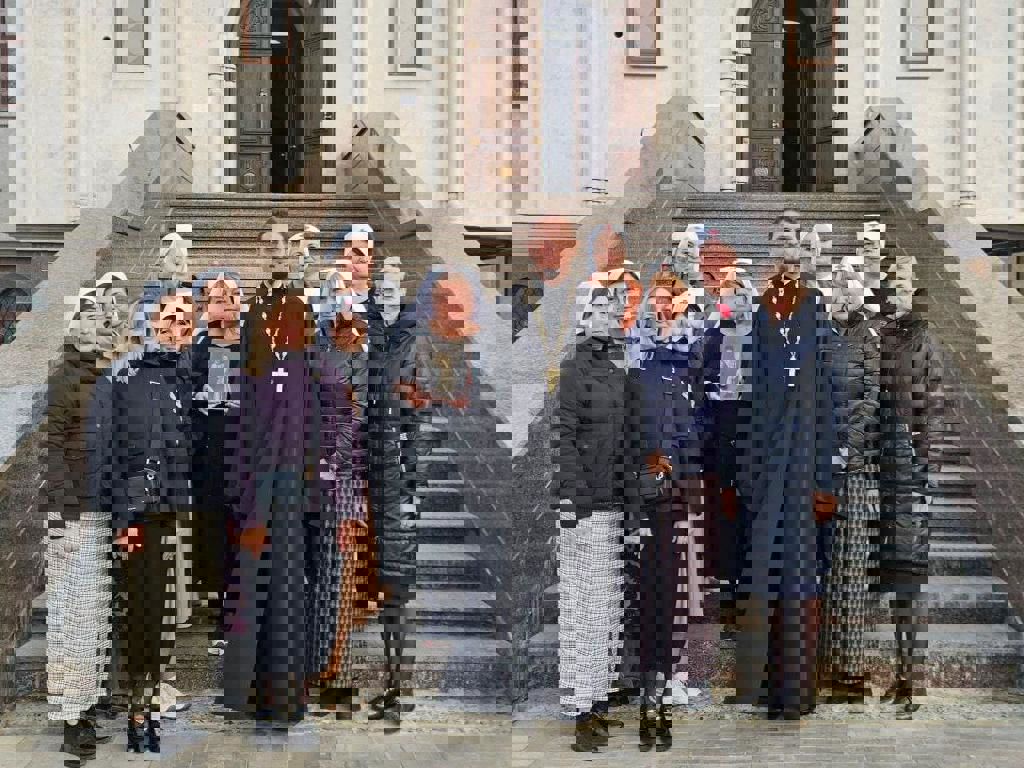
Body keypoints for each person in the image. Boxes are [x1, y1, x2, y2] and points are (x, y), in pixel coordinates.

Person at [733, 211, 839, 719]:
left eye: (795, 250)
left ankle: (796, 694)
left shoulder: (815, 307)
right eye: (780, 250)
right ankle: (766, 689)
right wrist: (747, 471)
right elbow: (750, 392)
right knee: (764, 577)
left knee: (799, 576)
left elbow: (829, 396)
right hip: (765, 466)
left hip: (803, 463)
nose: (788, 259)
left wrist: (825, 479)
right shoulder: (759, 311)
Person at [223, 218, 320, 723]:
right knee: (253, 581)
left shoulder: (305, 310)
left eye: (285, 243)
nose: (278, 252)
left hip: (295, 465)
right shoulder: (253, 313)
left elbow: (319, 392)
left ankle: (284, 699)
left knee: (287, 582)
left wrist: (313, 472)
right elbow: (243, 393)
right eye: (269, 246)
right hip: (258, 467)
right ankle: (249, 694)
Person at [45, 273, 128, 764]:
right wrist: (65, 518)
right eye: (94, 316)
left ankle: (90, 698)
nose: (103, 324)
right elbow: (53, 449)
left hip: (102, 513)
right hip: (74, 517)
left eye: (108, 319)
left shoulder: (104, 378)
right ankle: (72, 720)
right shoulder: (65, 378)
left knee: (96, 618)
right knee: (73, 620)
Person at [110, 287, 195, 753]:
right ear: (151, 323)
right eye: (171, 318)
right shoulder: (136, 376)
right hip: (143, 515)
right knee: (144, 616)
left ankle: (147, 704)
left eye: (186, 321)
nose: (179, 328)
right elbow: (130, 452)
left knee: (160, 615)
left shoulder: (178, 375)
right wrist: (127, 520)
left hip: (170, 510)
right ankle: (138, 711)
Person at [627, 273, 704, 751]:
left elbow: (697, 428)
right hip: (635, 497)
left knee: (668, 596)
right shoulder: (635, 365)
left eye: (671, 302)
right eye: (657, 302)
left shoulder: (689, 364)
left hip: (674, 496)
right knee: (643, 599)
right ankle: (646, 695)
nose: (664, 310)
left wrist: (682, 469)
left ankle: (659, 692)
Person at [556, 278, 633, 753]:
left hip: (613, 501)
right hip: (584, 506)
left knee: (605, 608)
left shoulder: (615, 368)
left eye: (611, 310)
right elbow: (562, 435)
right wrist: (576, 499)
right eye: (599, 309)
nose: (608, 316)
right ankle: (584, 711)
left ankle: (598, 697)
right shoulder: (574, 369)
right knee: (583, 609)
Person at [876, 245, 944, 714]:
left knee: (910, 579)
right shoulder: (886, 335)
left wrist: (926, 466)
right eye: (889, 284)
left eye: (900, 284)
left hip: (911, 472)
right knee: (894, 579)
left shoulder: (924, 341)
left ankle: (912, 679)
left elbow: (934, 406)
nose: (894, 292)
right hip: (882, 469)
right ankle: (900, 675)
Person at [820, 222, 885, 703]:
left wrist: (849, 445)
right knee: (821, 568)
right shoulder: (819, 336)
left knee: (852, 568)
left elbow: (872, 397)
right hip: (819, 466)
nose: (845, 292)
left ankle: (851, 669)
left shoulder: (870, 338)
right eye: (838, 284)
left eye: (851, 284)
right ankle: (820, 663)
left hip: (857, 467)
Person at [364, 251, 429, 725]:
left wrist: (410, 482)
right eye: (380, 282)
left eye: (393, 281)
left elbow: (419, 414)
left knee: (398, 585)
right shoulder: (363, 334)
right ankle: (387, 683)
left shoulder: (414, 343)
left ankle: (399, 685)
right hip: (363, 475)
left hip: (399, 478)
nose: (386, 289)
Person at [308, 267, 375, 715]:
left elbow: (359, 426)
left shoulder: (359, 364)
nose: (350, 326)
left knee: (341, 586)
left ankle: (332, 672)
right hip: (319, 488)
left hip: (347, 487)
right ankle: (318, 673)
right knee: (322, 585)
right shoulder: (316, 361)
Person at [189, 272, 244, 655]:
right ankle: (222, 612)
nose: (227, 304)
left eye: (233, 296)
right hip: (208, 457)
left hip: (247, 455)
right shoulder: (197, 351)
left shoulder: (255, 349)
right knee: (215, 535)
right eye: (219, 298)